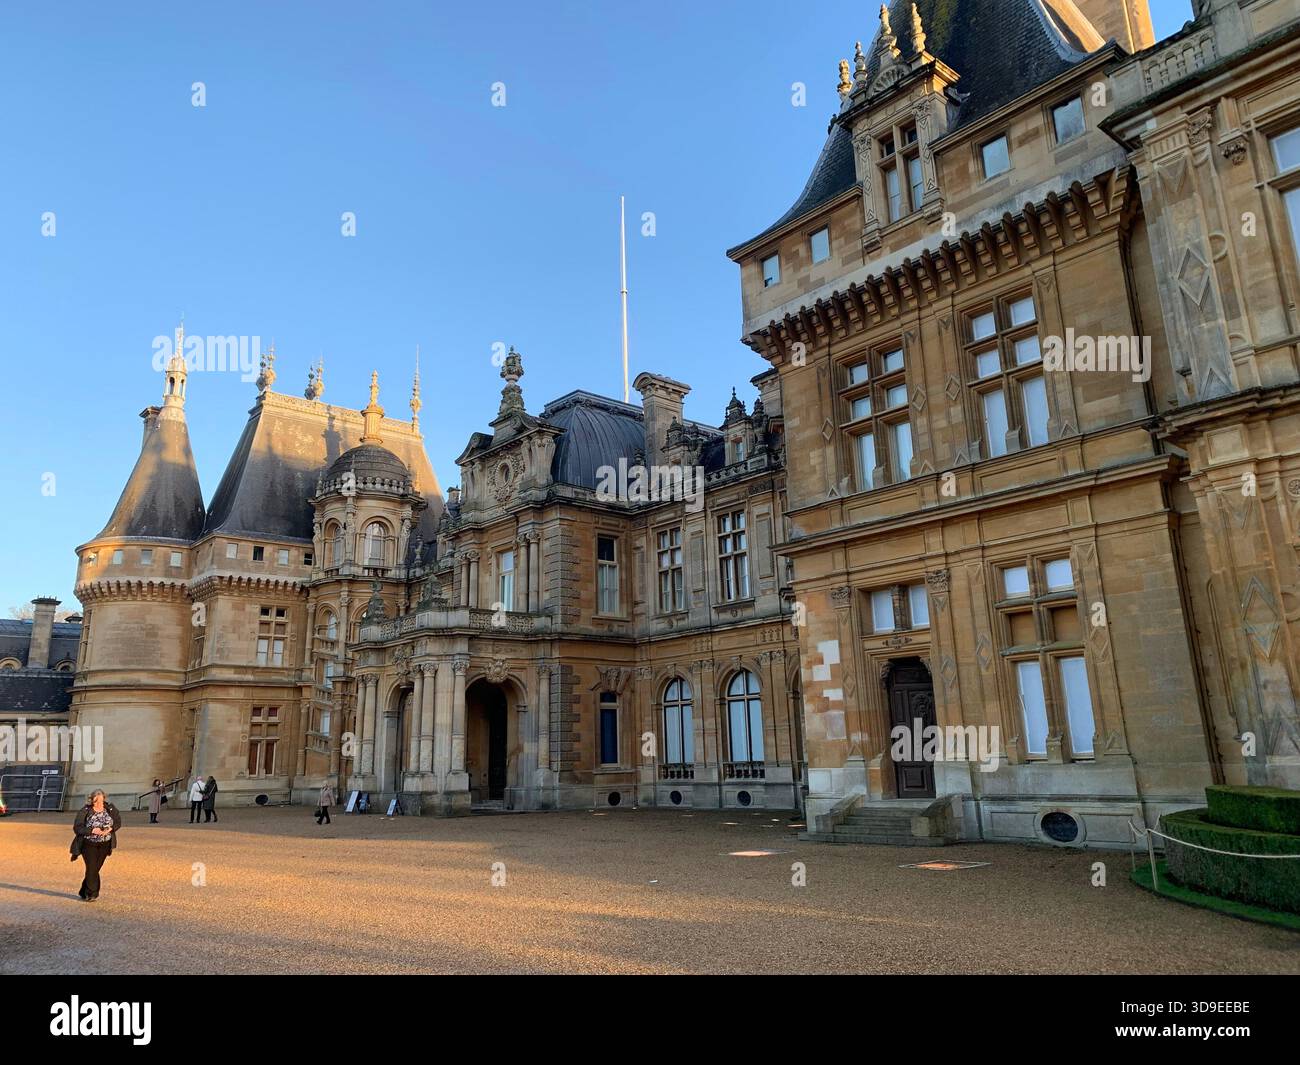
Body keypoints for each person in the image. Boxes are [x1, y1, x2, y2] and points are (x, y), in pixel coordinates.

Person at [72, 790, 121, 902]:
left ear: (104, 799)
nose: (98, 803)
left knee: (95, 869)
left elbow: (118, 822)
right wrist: (92, 830)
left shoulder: (110, 809)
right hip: (89, 843)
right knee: (91, 868)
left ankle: (83, 890)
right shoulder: (85, 810)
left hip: (105, 843)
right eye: (95, 801)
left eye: (100, 801)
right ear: (92, 800)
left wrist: (110, 829)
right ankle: (92, 893)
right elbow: (77, 827)